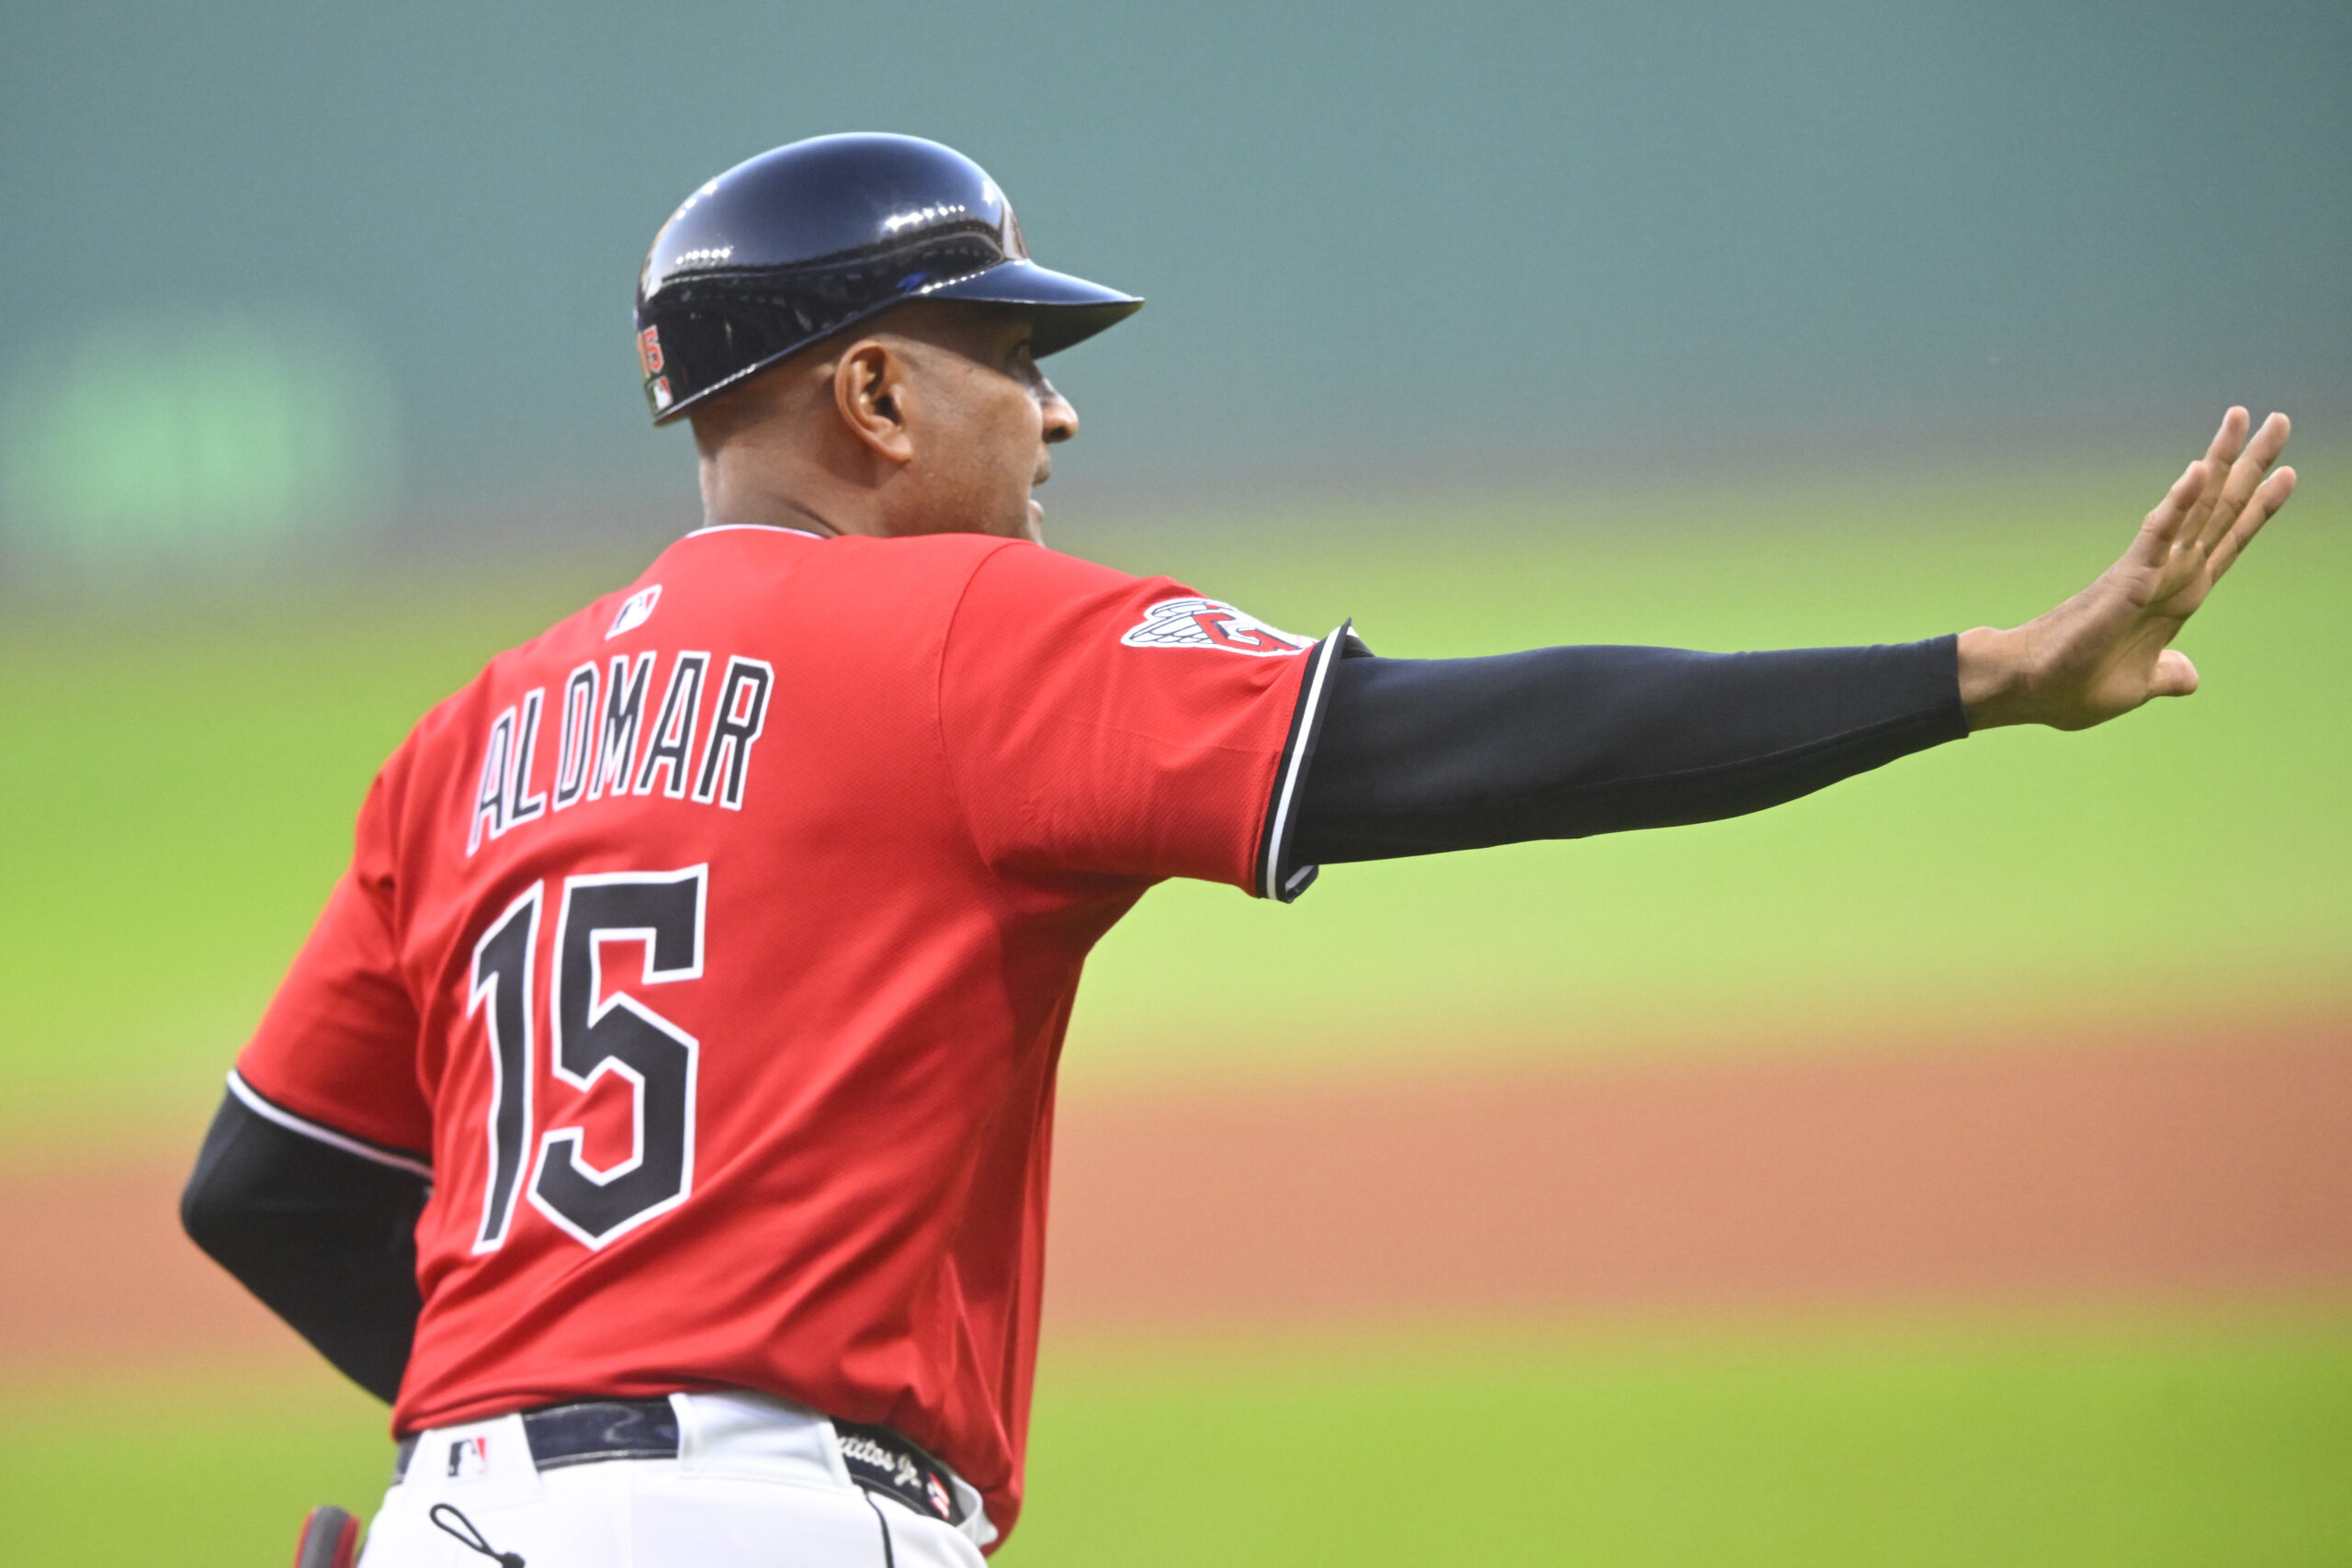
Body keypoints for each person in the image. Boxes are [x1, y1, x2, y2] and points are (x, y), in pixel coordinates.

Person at [181, 133, 2296, 1567]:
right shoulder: (964, 636)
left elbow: (266, 1182)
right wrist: (1972, 673)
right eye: (1017, 355)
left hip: (458, 1522)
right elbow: (1463, 745)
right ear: (877, 398)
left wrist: (536, 1432)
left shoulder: (469, 733)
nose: (1060, 413)